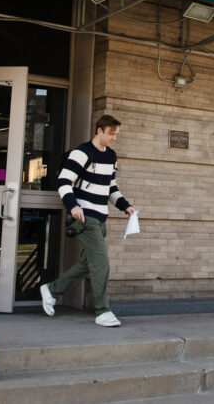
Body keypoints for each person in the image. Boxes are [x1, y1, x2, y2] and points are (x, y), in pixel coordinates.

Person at [40, 114, 134, 327]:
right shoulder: (81, 153)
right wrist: (73, 205)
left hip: (100, 217)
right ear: (99, 130)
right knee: (101, 262)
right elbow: (63, 182)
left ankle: (51, 290)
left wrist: (124, 205)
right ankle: (102, 311)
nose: (114, 138)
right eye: (111, 134)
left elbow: (111, 187)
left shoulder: (111, 156)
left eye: (116, 134)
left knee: (86, 263)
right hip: (84, 217)